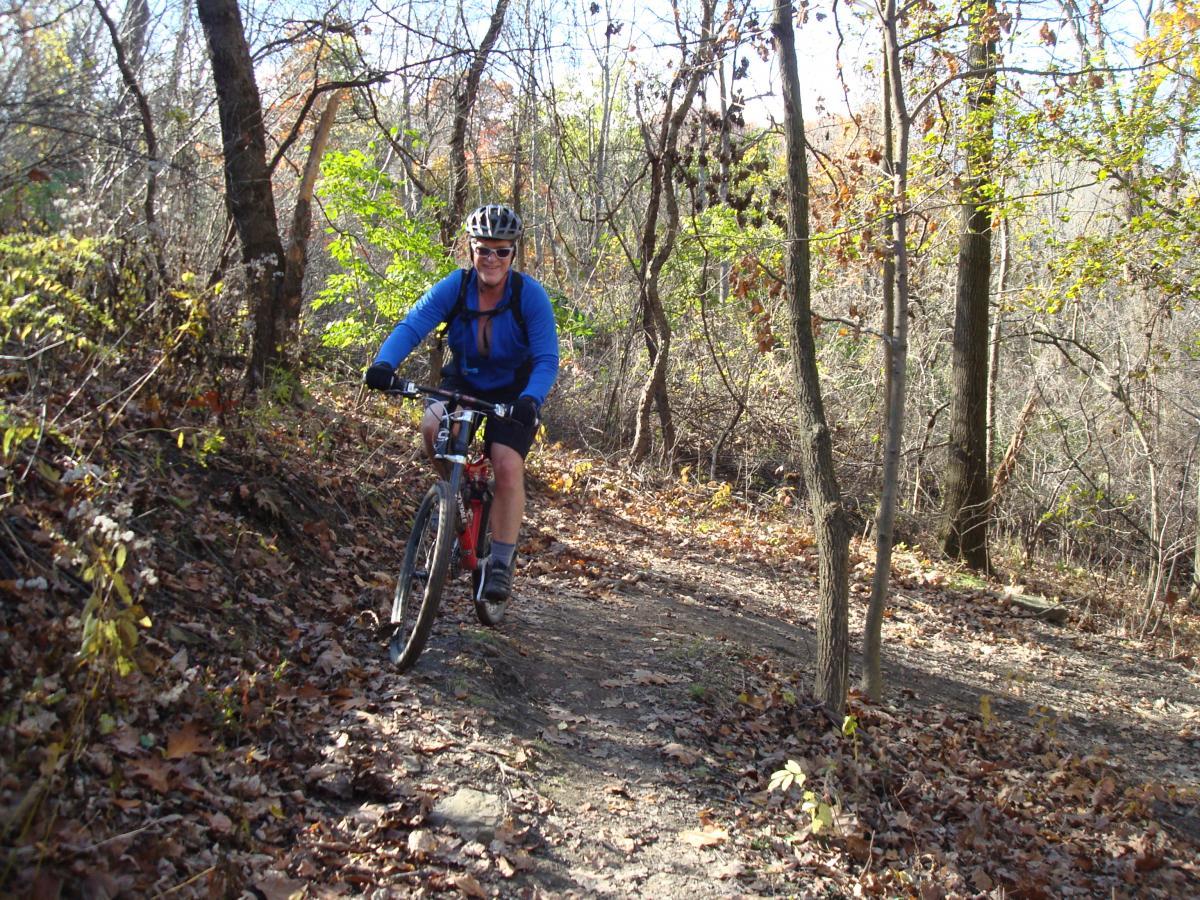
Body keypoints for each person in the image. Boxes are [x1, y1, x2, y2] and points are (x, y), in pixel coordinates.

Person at [364, 203, 559, 604]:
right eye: (483, 249)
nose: (491, 258)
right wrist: (384, 363)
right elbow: (413, 323)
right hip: (465, 381)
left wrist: (530, 400)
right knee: (432, 427)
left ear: (513, 254)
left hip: (514, 392)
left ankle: (500, 562)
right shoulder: (455, 286)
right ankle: (456, 498)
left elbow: (546, 359)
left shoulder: (530, 297)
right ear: (470, 250)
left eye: (501, 251)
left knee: (506, 464)